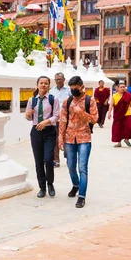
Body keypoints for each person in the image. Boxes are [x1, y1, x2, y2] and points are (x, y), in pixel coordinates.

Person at [58, 76, 98, 209]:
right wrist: (60, 138)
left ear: (82, 87)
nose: (73, 91)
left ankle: (82, 196)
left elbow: (94, 119)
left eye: (76, 88)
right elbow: (63, 120)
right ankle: (75, 185)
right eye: (71, 88)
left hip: (84, 137)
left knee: (82, 168)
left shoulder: (89, 100)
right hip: (69, 137)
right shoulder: (67, 101)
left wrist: (81, 112)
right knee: (70, 166)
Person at [26, 76, 60, 198]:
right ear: (37, 85)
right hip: (36, 132)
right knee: (38, 161)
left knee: (48, 159)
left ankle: (50, 183)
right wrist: (28, 114)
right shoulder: (32, 100)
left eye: (46, 83)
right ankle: (42, 187)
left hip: (49, 131)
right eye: (41, 83)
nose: (43, 85)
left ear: (49, 86)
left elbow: (56, 116)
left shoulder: (53, 99)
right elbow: (28, 117)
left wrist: (45, 122)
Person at [49, 73, 70, 168]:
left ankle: (68, 158)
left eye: (60, 79)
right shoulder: (51, 91)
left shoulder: (69, 90)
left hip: (67, 119)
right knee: (56, 139)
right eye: (57, 79)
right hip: (56, 119)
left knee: (67, 139)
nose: (58, 81)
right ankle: (56, 160)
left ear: (64, 79)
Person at [108, 82, 131, 148]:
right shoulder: (115, 96)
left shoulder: (128, 95)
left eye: (124, 87)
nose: (123, 88)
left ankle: (126, 139)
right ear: (117, 88)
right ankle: (119, 143)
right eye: (121, 87)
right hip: (118, 115)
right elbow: (111, 105)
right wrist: (109, 113)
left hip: (127, 114)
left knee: (130, 128)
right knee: (118, 129)